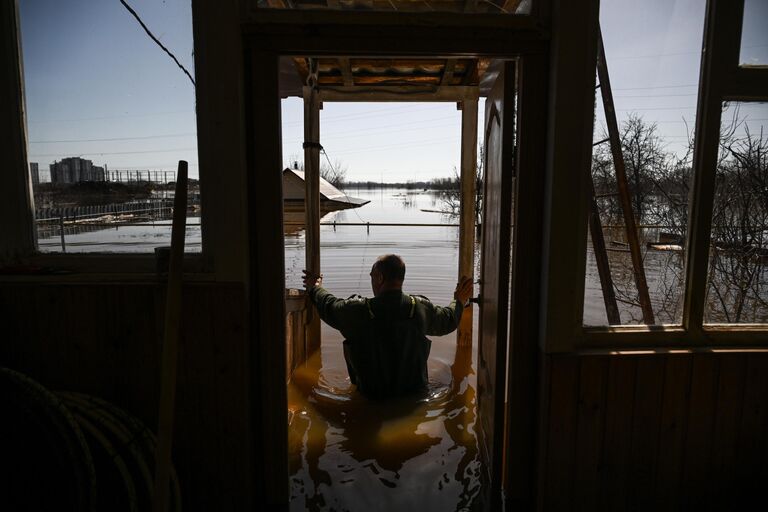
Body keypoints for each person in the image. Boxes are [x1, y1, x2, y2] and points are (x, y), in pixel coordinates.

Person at [303, 254, 473, 400]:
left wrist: (315, 287)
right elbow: (449, 320)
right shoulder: (420, 308)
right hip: (415, 398)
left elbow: (328, 305)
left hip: (371, 399)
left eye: (372, 276)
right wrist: (458, 301)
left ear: (379, 278)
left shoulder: (358, 311)